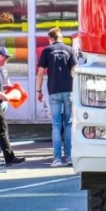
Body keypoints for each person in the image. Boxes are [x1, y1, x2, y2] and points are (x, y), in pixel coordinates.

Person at [36, 28, 76, 167]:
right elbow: (75, 71)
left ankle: (57, 159)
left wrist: (39, 91)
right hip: (69, 91)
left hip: (54, 91)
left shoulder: (47, 50)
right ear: (61, 38)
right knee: (69, 124)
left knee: (56, 126)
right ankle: (70, 157)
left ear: (51, 39)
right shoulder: (70, 50)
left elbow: (40, 73)